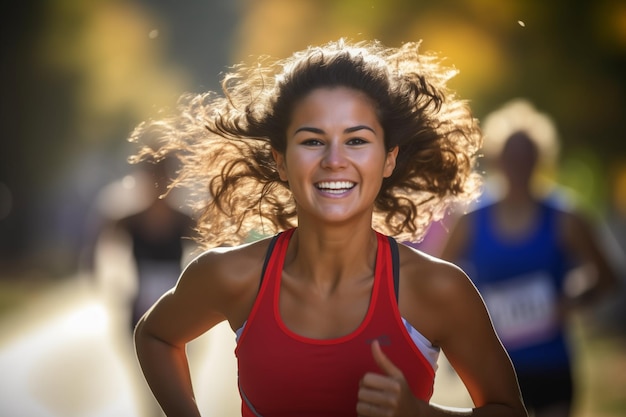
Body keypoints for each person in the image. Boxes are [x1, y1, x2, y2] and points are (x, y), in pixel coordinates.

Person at [132, 39, 528, 417]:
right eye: (312, 141)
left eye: (356, 140)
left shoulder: (438, 289)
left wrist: (421, 415)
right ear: (281, 161)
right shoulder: (232, 276)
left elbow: (508, 410)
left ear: (388, 159)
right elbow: (155, 335)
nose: (334, 160)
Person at [440, 99, 618, 417]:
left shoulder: (565, 217)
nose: (519, 164)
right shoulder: (471, 220)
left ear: (541, 159)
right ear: (497, 159)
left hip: (551, 363)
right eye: (511, 156)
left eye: (527, 156)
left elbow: (608, 277)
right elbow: (439, 277)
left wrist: (570, 301)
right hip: (492, 364)